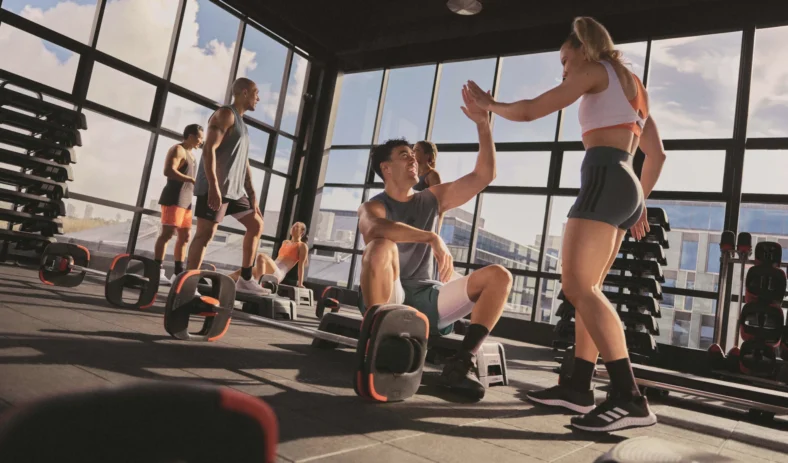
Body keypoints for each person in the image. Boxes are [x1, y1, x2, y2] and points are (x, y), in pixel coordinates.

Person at [466, 16, 666, 432]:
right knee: (586, 291)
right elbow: (657, 154)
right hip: (624, 182)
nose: (563, 69)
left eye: (564, 59)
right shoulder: (634, 87)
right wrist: (638, 200)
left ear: (584, 49)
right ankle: (577, 386)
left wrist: (490, 106)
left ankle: (629, 398)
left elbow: (530, 110)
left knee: (578, 287)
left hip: (604, 179)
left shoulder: (596, 71)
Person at [357, 86, 513, 401]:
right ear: (386, 169)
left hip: (430, 297)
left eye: (414, 155)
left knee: (500, 276)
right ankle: (376, 345)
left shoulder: (433, 198)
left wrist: (483, 124)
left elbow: (484, 175)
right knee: (381, 246)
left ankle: (460, 363)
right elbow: (376, 228)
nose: (413, 159)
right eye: (405, 155)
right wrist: (431, 236)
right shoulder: (373, 205)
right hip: (391, 295)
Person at [186, 77, 268, 296]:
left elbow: (245, 164)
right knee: (205, 234)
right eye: (255, 92)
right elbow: (208, 150)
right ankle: (188, 283)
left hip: (235, 190)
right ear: (243, 92)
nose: (258, 98)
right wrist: (213, 186)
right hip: (217, 187)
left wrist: (253, 197)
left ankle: (246, 278)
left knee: (256, 224)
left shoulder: (242, 125)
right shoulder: (225, 114)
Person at [154, 124, 203, 286]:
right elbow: (168, 171)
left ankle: (177, 274)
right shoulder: (178, 150)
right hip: (174, 197)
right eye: (199, 137)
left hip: (187, 201)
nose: (200, 141)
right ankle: (157, 270)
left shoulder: (193, 155)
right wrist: (191, 179)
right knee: (167, 234)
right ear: (189, 136)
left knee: (185, 237)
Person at [229, 222, 309, 287]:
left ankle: (258, 283)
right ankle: (220, 280)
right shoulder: (285, 242)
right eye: (293, 226)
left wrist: (300, 283)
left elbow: (301, 266)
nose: (293, 228)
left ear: (302, 232)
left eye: (296, 227)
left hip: (278, 274)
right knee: (243, 271)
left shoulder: (302, 246)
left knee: (261, 256)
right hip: (270, 269)